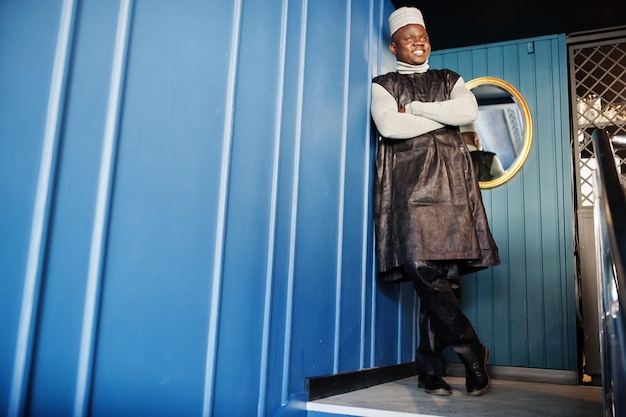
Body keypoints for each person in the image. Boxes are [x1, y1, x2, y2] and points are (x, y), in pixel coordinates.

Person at [370, 7, 500, 397]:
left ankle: (430, 371)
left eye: (422, 36)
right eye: (408, 37)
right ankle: (473, 351)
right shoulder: (383, 83)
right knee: (422, 268)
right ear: (394, 45)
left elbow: (469, 110)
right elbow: (390, 126)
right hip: (408, 190)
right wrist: (445, 119)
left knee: (447, 279)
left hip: (452, 187)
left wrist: (421, 110)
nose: (418, 42)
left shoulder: (450, 79)